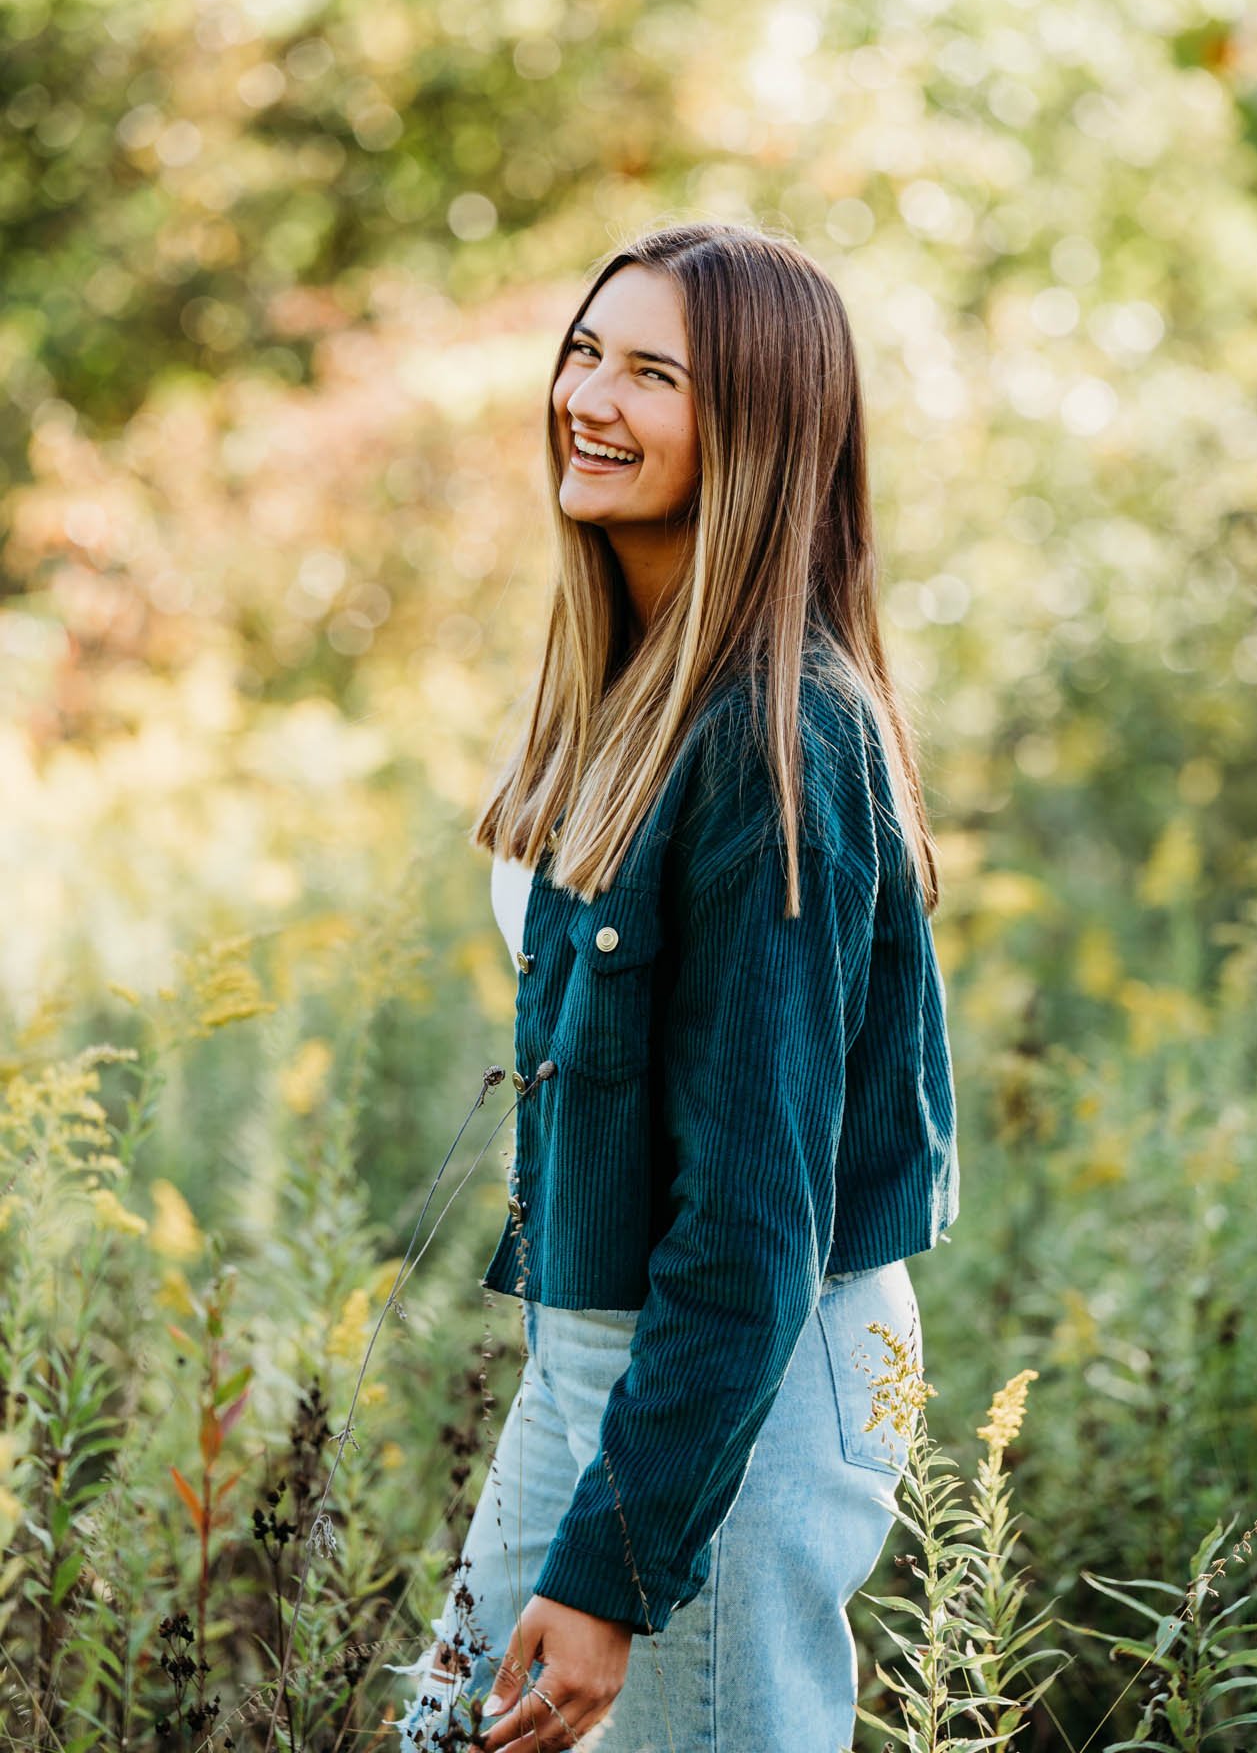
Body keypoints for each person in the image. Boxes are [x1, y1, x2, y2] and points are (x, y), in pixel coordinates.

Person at [389, 219, 960, 1752]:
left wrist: (619, 1569)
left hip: (739, 1386)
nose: (591, 395)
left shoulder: (782, 746)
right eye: (586, 349)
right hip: (602, 1356)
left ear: (760, 431)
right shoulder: (631, 687)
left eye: (654, 373)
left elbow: (758, 1215)